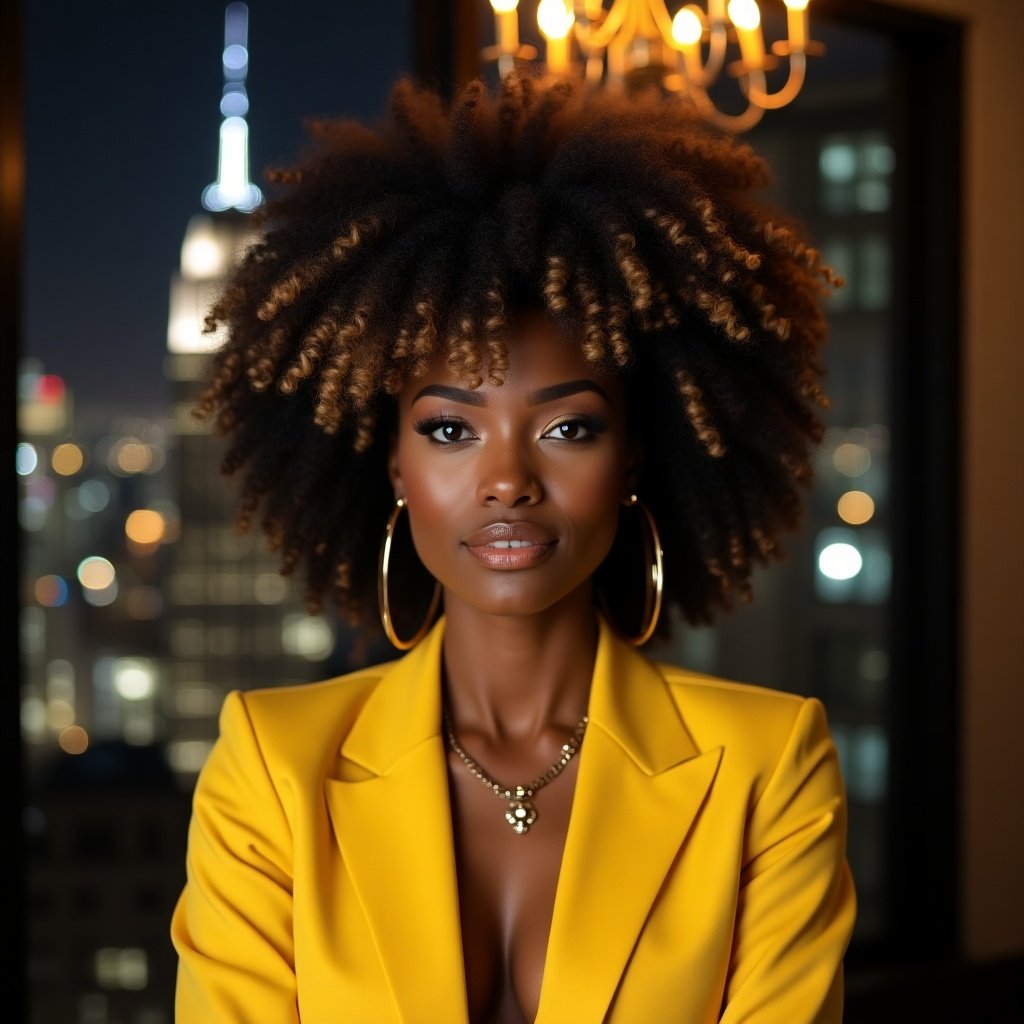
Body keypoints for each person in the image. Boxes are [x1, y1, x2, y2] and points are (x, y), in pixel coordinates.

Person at [170, 69, 857, 1023]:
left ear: (634, 460)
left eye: (568, 427)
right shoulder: (273, 769)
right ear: (394, 468)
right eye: (450, 430)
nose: (506, 480)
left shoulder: (768, 767)